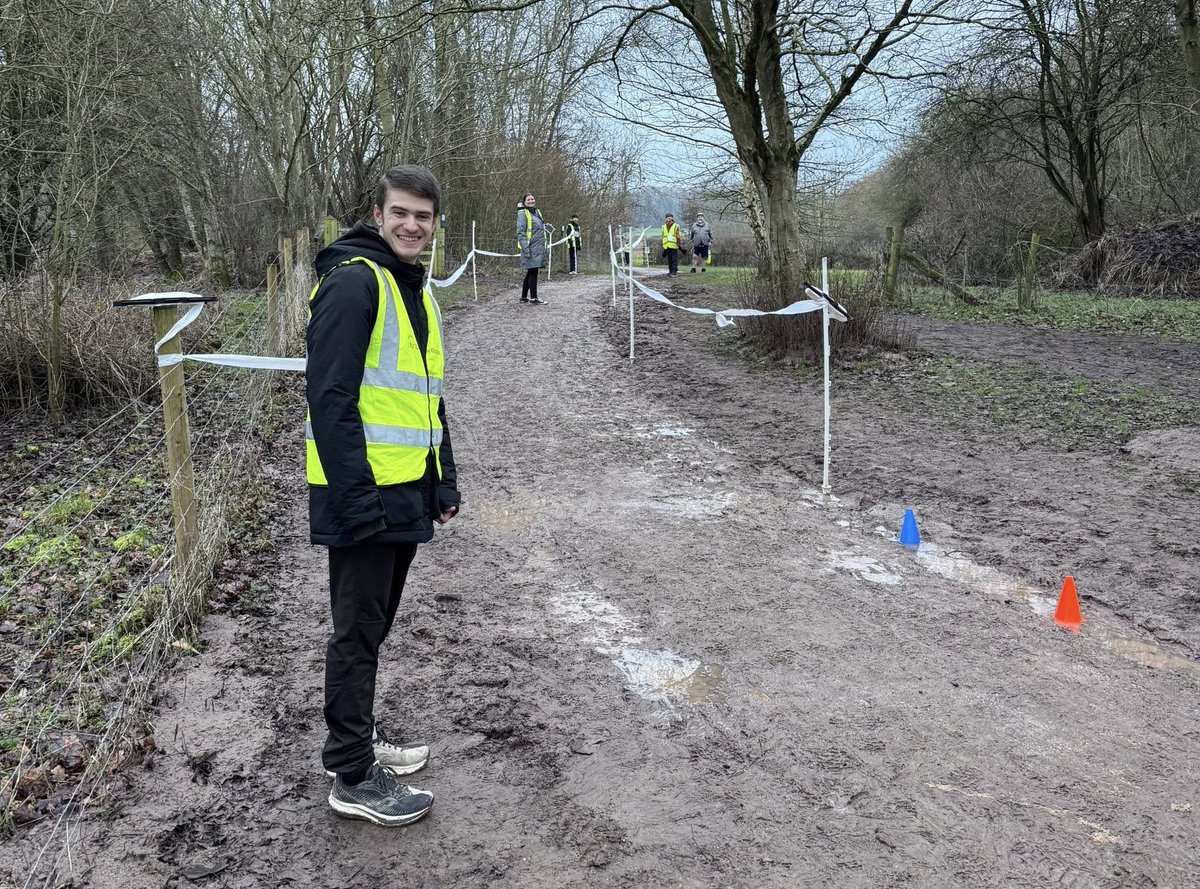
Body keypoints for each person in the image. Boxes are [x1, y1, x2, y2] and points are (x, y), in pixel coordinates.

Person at [306, 163, 461, 827]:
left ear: (433, 224)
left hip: (404, 491)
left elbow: (425, 397)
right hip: (362, 495)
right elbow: (330, 399)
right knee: (357, 631)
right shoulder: (353, 283)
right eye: (400, 212)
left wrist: (443, 476)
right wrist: (356, 497)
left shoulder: (413, 287)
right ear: (378, 214)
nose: (411, 224)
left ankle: (358, 741)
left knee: (373, 628)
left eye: (422, 216)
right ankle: (351, 771)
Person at [516, 193, 547, 304]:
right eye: (528, 199)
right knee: (533, 272)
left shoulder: (536, 213)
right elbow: (520, 233)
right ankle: (534, 298)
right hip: (530, 248)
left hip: (537, 248)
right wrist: (526, 249)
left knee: (531, 272)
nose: (531, 201)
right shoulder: (523, 214)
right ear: (524, 202)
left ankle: (524, 297)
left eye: (532, 199)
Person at [661, 213, 683, 277]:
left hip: (674, 245)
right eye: (667, 217)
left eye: (670, 217)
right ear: (665, 219)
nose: (669, 219)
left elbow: (678, 236)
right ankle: (670, 271)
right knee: (669, 259)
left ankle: (674, 272)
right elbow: (663, 236)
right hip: (667, 246)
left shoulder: (676, 226)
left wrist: (678, 244)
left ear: (672, 218)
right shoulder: (663, 226)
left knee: (674, 259)